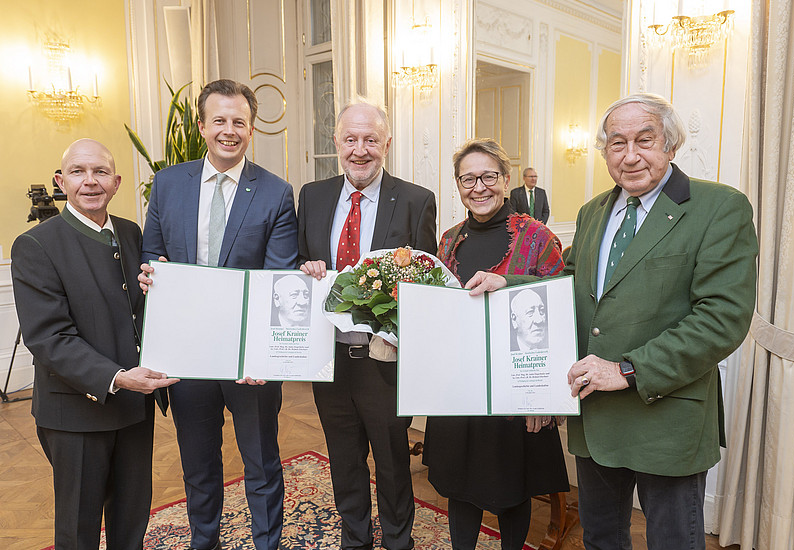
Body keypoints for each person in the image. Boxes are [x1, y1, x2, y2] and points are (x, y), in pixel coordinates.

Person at [563, 93, 758, 550]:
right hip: (597, 418)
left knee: (674, 541)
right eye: (616, 143)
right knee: (601, 539)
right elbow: (570, 281)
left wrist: (628, 369)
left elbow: (722, 317)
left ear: (670, 145)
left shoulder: (719, 207)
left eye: (644, 140)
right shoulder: (593, 212)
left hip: (666, 415)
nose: (630, 156)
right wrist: (506, 283)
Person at [140, 79, 298, 550]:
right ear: (203, 126)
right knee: (199, 464)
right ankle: (202, 541)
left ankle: (266, 542)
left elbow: (278, 279)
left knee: (262, 463)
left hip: (248, 359)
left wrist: (262, 357)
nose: (229, 131)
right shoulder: (169, 184)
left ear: (252, 129)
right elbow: (153, 250)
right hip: (185, 358)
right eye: (220, 121)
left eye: (239, 122)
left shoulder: (275, 192)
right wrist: (153, 272)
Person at [10, 139, 178, 549]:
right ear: (60, 180)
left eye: (101, 172)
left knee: (132, 518)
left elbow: (142, 310)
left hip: (135, 408)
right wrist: (118, 378)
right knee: (78, 528)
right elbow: (49, 338)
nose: (90, 182)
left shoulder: (130, 232)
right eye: (78, 172)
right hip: (76, 413)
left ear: (117, 182)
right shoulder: (34, 245)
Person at [298, 98, 437, 550]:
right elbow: (299, 264)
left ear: (387, 144)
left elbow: (426, 283)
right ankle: (354, 538)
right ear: (336, 142)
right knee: (343, 457)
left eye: (371, 140)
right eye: (351, 139)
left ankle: (399, 540)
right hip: (328, 356)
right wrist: (307, 268)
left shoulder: (416, 201)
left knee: (393, 460)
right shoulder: (312, 196)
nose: (360, 150)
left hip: (385, 362)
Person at [422, 138, 569, 550]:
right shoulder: (449, 240)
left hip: (515, 393)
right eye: (468, 178)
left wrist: (543, 398)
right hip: (459, 390)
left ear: (506, 181)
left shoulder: (538, 237)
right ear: (458, 185)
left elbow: (557, 313)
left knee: (512, 492)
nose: (479, 186)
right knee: (459, 488)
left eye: (488, 176)